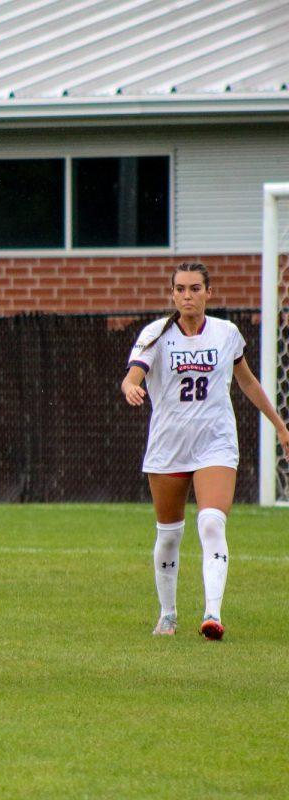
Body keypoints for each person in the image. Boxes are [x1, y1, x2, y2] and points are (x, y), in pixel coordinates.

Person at [123, 262, 289, 640]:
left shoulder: (226, 333)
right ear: (172, 293)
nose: (187, 295)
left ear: (208, 293)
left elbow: (247, 383)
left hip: (215, 443)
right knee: (169, 535)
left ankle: (212, 614)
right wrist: (130, 387)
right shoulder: (157, 333)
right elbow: (132, 375)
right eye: (180, 288)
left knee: (212, 522)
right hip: (168, 446)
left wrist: (279, 425)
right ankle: (168, 614)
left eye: (195, 288)